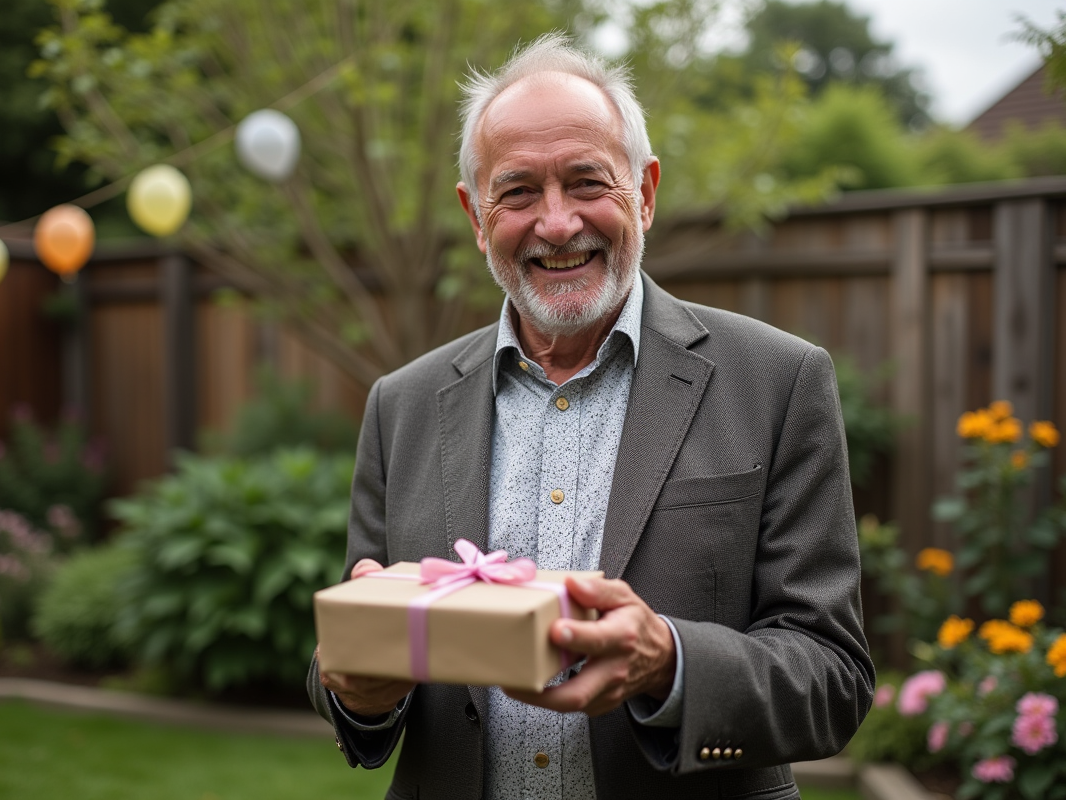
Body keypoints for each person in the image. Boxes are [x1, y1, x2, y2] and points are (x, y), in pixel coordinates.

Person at [307, 33, 874, 800]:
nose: (556, 222)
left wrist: (671, 661)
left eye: (586, 182)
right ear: (476, 216)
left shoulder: (778, 381)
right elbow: (356, 651)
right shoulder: (401, 404)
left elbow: (832, 677)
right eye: (517, 192)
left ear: (644, 191)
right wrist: (357, 695)